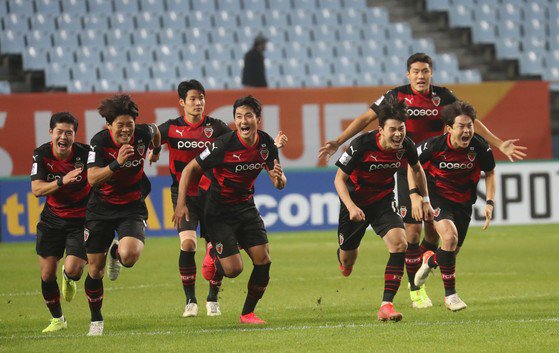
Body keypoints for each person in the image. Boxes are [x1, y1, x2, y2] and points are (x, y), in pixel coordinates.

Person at [319, 53, 526, 308]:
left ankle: (426, 266)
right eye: (416, 71)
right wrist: (339, 141)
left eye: (425, 71)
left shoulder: (444, 96)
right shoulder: (396, 95)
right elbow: (366, 119)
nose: (420, 75)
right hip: (407, 167)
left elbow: (469, 122)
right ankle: (415, 290)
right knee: (413, 233)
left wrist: (499, 143)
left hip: (433, 170)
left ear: (431, 73)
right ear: (408, 74)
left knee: (435, 235)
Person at [149, 80, 288, 318]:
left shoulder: (262, 143)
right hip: (214, 206)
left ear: (258, 119)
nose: (243, 121)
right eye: (239, 116)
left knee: (264, 259)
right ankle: (193, 296)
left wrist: (279, 178)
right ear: (182, 102)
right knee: (225, 265)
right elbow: (185, 164)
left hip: (244, 206)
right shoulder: (221, 143)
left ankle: (247, 313)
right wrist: (154, 148)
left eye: (248, 116)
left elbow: (278, 182)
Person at [334, 99, 433, 322]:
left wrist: (424, 198)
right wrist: (351, 207)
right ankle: (343, 260)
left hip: (383, 200)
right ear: (381, 130)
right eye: (393, 130)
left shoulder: (406, 145)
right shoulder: (361, 145)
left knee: (400, 243)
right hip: (356, 202)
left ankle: (386, 305)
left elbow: (417, 169)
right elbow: (339, 180)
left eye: (401, 129)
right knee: (347, 258)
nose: (398, 134)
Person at [84, 94, 161, 336]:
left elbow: (156, 130)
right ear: (109, 125)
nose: (126, 130)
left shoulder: (143, 134)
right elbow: (92, 178)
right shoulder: (98, 142)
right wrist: (116, 163)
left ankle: (116, 252)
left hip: (131, 206)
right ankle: (96, 320)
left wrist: (156, 150)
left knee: (130, 256)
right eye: (120, 125)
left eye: (130, 124)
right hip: (101, 208)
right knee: (94, 270)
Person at [412, 100, 495, 311]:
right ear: (449, 128)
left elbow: (490, 172)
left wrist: (490, 202)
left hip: (464, 202)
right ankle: (451, 296)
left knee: (450, 252)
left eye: (470, 126)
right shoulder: (433, 146)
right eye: (461, 126)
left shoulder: (480, 146)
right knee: (449, 237)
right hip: (437, 196)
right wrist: (417, 196)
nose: (467, 130)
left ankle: (430, 262)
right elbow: (413, 167)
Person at [30, 112, 90, 333]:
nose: (63, 136)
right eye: (59, 132)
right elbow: (36, 189)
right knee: (46, 274)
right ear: (51, 133)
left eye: (69, 132)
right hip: (52, 219)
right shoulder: (42, 155)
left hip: (81, 220)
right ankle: (58, 319)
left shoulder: (86, 154)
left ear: (75, 135)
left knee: (73, 270)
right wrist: (62, 181)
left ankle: (69, 277)